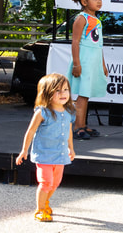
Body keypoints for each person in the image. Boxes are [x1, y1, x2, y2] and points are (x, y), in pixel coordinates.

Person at [16, 73, 76, 222]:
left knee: (55, 183)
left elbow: (69, 131)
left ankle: (45, 202)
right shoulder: (42, 112)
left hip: (60, 154)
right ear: (47, 93)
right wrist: (24, 150)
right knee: (45, 182)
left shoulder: (69, 112)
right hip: (44, 154)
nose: (63, 94)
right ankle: (40, 209)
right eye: (58, 91)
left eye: (65, 89)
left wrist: (71, 148)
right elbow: (30, 131)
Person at [67, 0, 108, 140]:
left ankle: (83, 124)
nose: (99, 1)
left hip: (94, 61)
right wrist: (77, 63)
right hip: (84, 60)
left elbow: (99, 44)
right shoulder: (81, 18)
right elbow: (75, 42)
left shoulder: (96, 19)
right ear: (84, 2)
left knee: (87, 94)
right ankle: (78, 127)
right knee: (82, 95)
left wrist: (103, 64)